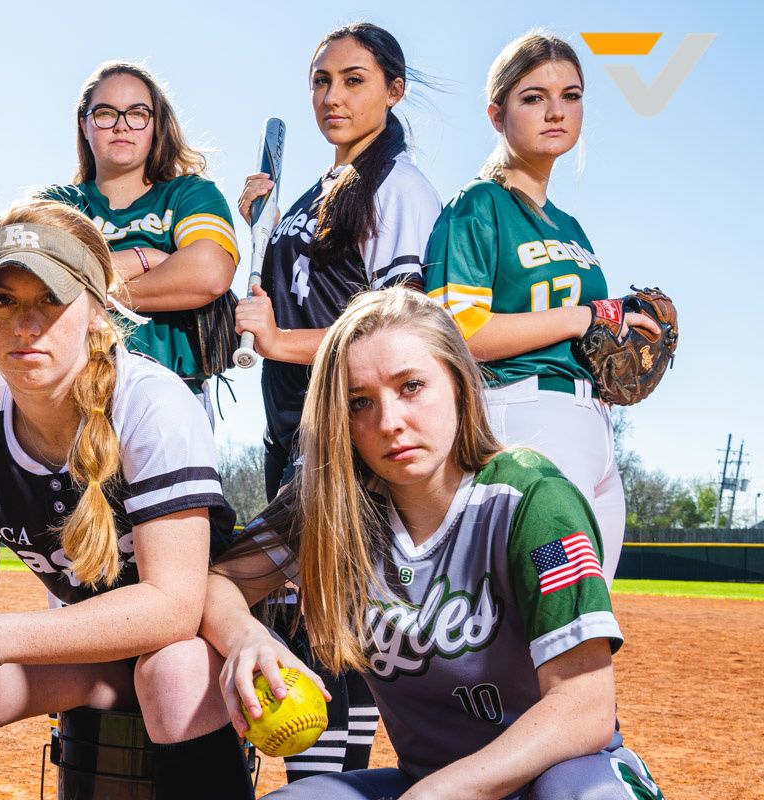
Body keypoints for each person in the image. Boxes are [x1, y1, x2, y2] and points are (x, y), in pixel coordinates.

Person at [203, 288, 662, 800]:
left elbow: (584, 707)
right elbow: (216, 583)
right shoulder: (334, 510)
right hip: (426, 781)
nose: (389, 422)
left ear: (460, 384)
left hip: (561, 774)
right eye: (360, 402)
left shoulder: (533, 498)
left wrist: (436, 793)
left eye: (412, 386)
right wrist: (246, 636)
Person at [0, 199, 253, 800]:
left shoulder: (150, 403)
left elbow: (173, 607)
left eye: (51, 299)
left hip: (197, 639)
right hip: (87, 654)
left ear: (98, 311)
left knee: (172, 672)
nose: (25, 325)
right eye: (4, 301)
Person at [234, 21, 441, 779]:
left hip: (342, 440)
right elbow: (278, 302)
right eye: (321, 80)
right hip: (288, 429)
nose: (332, 96)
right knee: (303, 615)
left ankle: (328, 788)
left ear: (394, 88)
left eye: (354, 79)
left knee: (325, 622)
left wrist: (280, 342)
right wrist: (247, 222)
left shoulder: (401, 186)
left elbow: (398, 333)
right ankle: (317, 784)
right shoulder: (317, 192)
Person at [422, 32, 658, 583]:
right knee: (549, 602)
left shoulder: (571, 228)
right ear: (496, 114)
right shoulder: (477, 205)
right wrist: (586, 317)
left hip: (591, 427)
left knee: (585, 607)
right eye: (533, 97)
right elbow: (459, 334)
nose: (556, 111)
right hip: (521, 416)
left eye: (571, 95)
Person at [40, 61, 239, 419]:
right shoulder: (58, 203)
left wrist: (98, 295)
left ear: (156, 124)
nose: (121, 125)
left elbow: (208, 274)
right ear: (84, 124)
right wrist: (147, 257)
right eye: (105, 113)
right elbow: (41, 282)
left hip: (177, 393)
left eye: (137, 113)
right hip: (74, 396)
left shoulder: (190, 194)